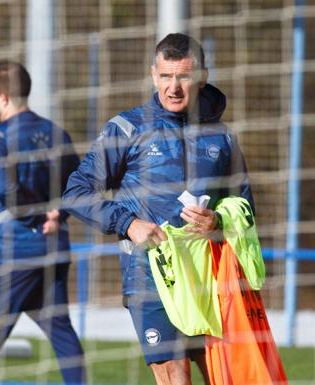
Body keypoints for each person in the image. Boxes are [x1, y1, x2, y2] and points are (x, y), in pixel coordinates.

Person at [62, 33, 255, 385]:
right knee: (176, 378)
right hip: (149, 276)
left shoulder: (222, 138)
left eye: (183, 77)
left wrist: (218, 219)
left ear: (202, 77)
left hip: (206, 281)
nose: (174, 87)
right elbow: (76, 191)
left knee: (224, 378)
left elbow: (244, 204)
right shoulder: (127, 128)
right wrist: (128, 223)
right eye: (166, 76)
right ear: (153, 74)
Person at [0, 61, 86, 384]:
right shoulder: (57, 133)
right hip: (54, 246)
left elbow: (8, 192)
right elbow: (81, 185)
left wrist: (38, 216)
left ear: (2, 97)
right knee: (61, 332)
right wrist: (60, 215)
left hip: (15, 251)